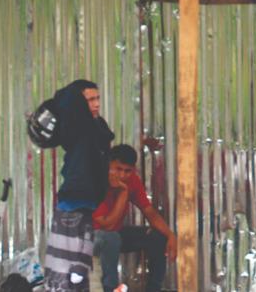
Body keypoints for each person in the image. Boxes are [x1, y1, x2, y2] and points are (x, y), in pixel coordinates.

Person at [44, 79, 114, 292]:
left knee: (70, 261)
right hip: (74, 199)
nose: (97, 104)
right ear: (78, 104)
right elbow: (65, 99)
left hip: (82, 201)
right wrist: (74, 96)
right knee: (67, 263)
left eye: (98, 98)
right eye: (90, 100)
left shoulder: (95, 126)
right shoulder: (76, 127)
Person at [93, 144, 176, 292]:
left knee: (158, 236)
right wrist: (124, 192)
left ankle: (154, 289)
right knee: (111, 238)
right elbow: (107, 226)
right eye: (118, 169)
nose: (122, 175)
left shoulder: (132, 180)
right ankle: (110, 288)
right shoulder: (97, 181)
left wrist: (170, 235)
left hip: (115, 233)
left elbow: (149, 211)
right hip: (91, 236)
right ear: (108, 164)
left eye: (127, 171)